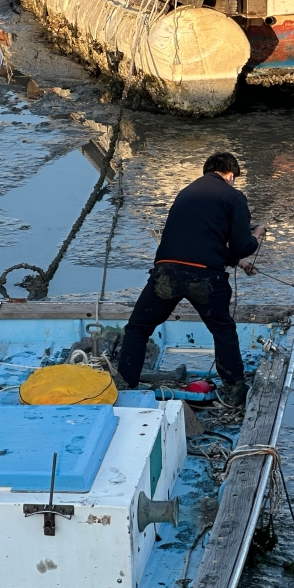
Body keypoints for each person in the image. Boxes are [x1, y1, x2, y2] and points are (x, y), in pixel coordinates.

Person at [116, 153, 266, 405]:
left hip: (166, 272)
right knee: (223, 330)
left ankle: (125, 385)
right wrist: (257, 236)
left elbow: (197, 240)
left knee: (138, 329)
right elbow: (241, 245)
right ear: (230, 175)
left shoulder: (185, 193)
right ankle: (234, 390)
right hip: (205, 278)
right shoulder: (233, 196)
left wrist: (236, 261)